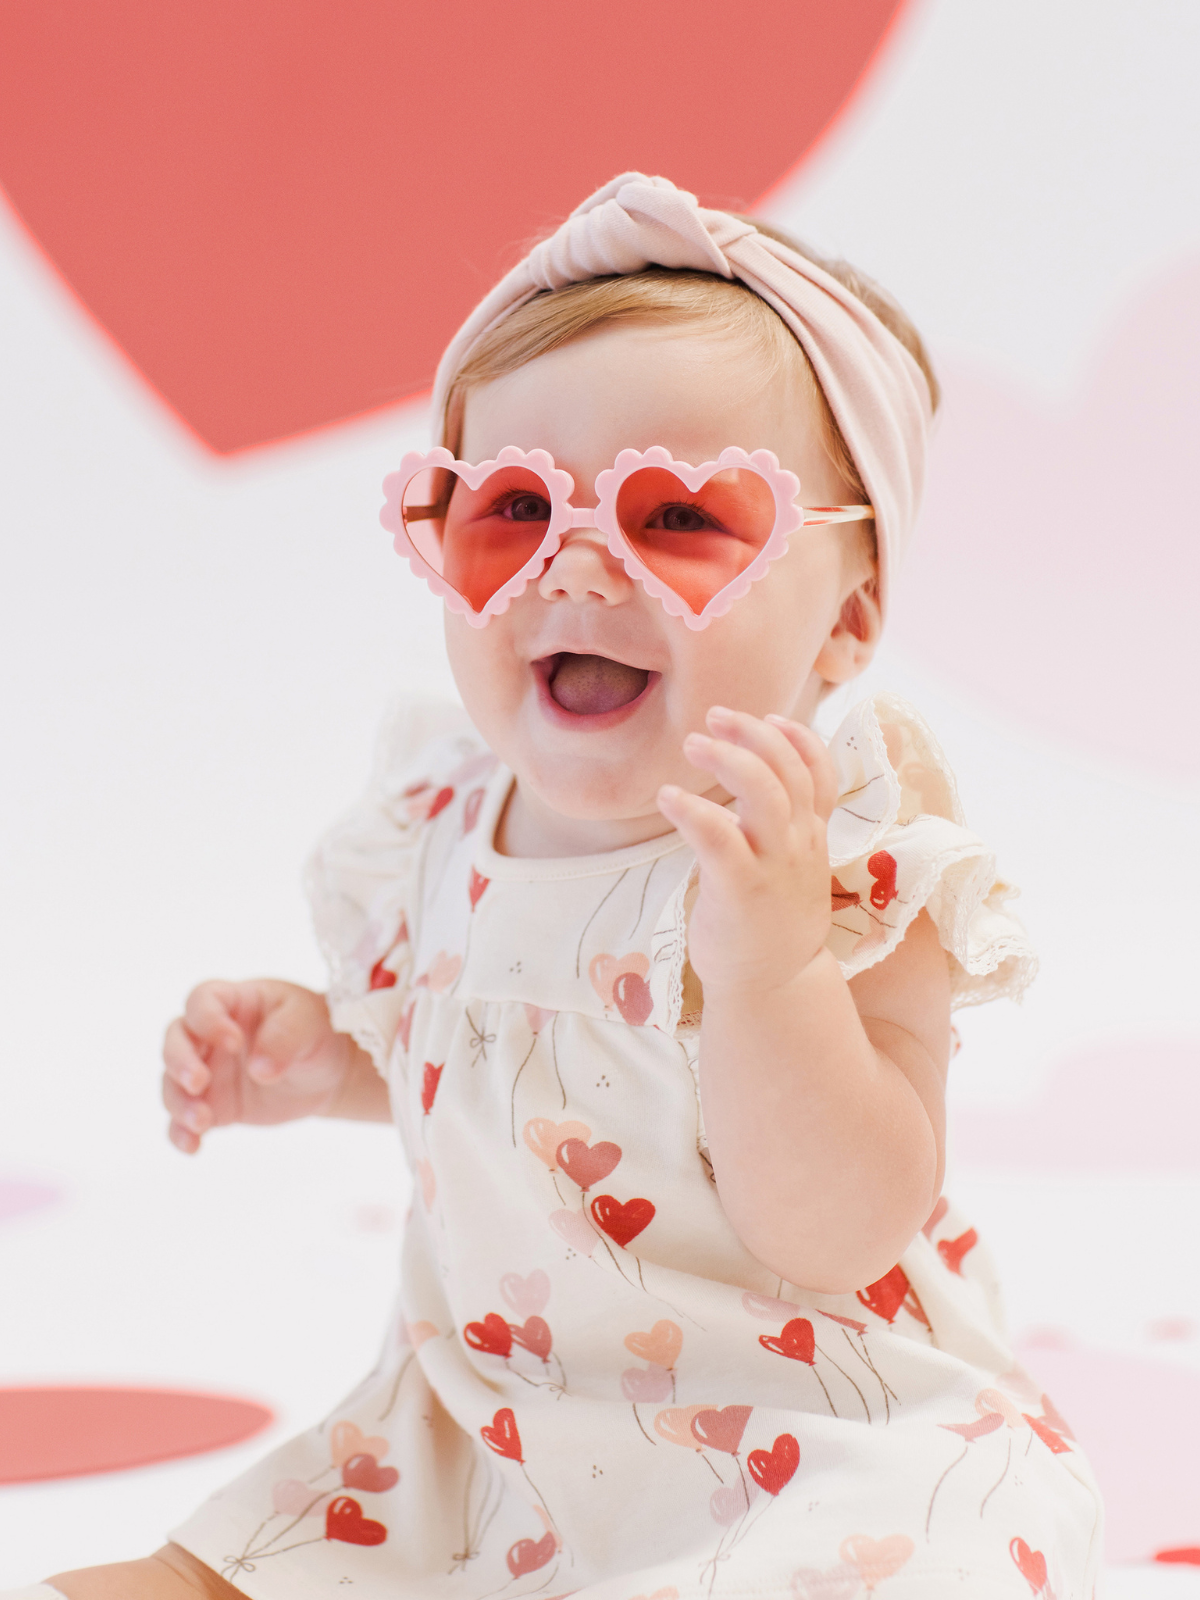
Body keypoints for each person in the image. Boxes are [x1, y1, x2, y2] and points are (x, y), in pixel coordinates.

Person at [19, 175, 1102, 1600]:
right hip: (489, 1435)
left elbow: (842, 1225)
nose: (577, 566)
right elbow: (501, 1065)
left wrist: (771, 969)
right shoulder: (439, 820)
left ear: (846, 620)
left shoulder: (841, 852)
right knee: (199, 1578)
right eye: (515, 508)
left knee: (901, 1564)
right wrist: (325, 1056)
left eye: (679, 516)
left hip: (806, 1437)